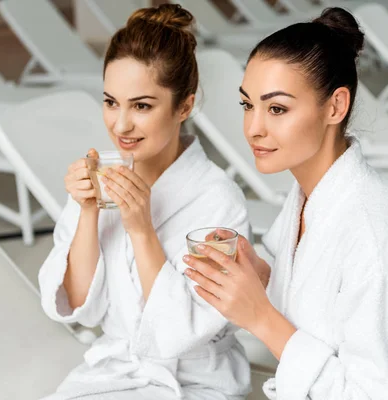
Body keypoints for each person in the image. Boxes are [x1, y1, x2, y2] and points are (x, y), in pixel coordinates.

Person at [184, 7, 388, 400]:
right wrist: (263, 278)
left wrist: (262, 317)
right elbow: (323, 306)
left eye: (277, 109)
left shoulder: (374, 240)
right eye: (247, 105)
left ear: (335, 107)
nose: (254, 127)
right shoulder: (310, 196)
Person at [38, 5, 251, 400]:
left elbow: (180, 331)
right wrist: (87, 212)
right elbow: (80, 305)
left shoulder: (218, 201)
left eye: (142, 106)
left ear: (184, 107)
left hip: (198, 381)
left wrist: (140, 227)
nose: (120, 125)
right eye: (110, 102)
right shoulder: (103, 178)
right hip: (114, 371)